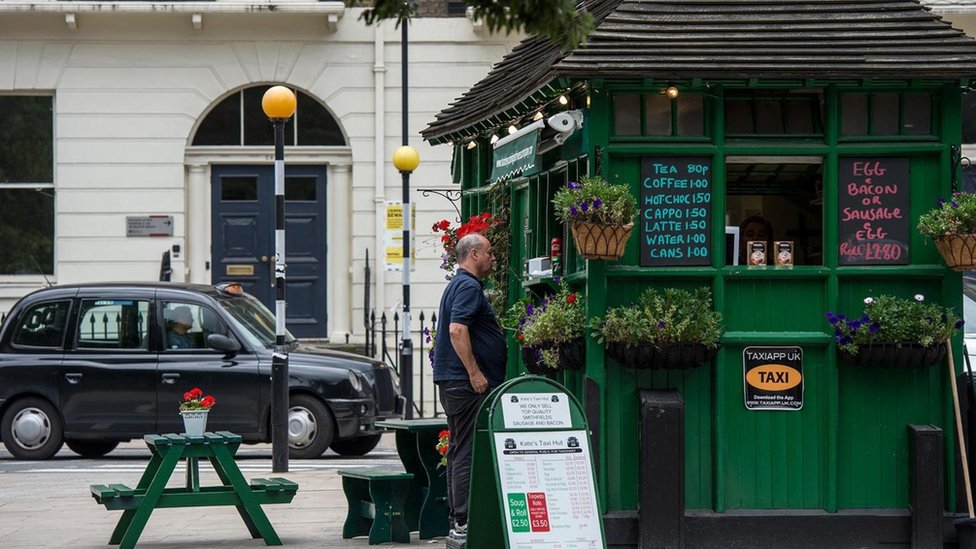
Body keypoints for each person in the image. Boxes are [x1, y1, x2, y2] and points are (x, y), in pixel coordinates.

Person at [433, 233, 507, 544]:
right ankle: (462, 521)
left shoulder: (458, 284)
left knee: (459, 447)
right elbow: (456, 329)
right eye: (489, 252)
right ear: (474, 253)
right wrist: (475, 373)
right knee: (466, 449)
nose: (493, 258)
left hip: (455, 382)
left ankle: (457, 518)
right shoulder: (467, 286)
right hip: (466, 385)